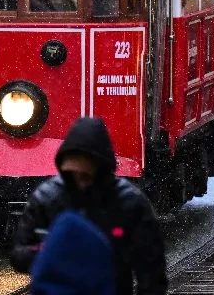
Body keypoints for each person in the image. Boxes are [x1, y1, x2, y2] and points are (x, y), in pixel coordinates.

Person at [11, 118, 166, 295]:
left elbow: (151, 268)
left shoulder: (129, 202)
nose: (79, 182)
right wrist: (46, 251)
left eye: (85, 174)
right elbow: (18, 254)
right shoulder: (47, 198)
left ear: (100, 170)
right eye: (71, 174)